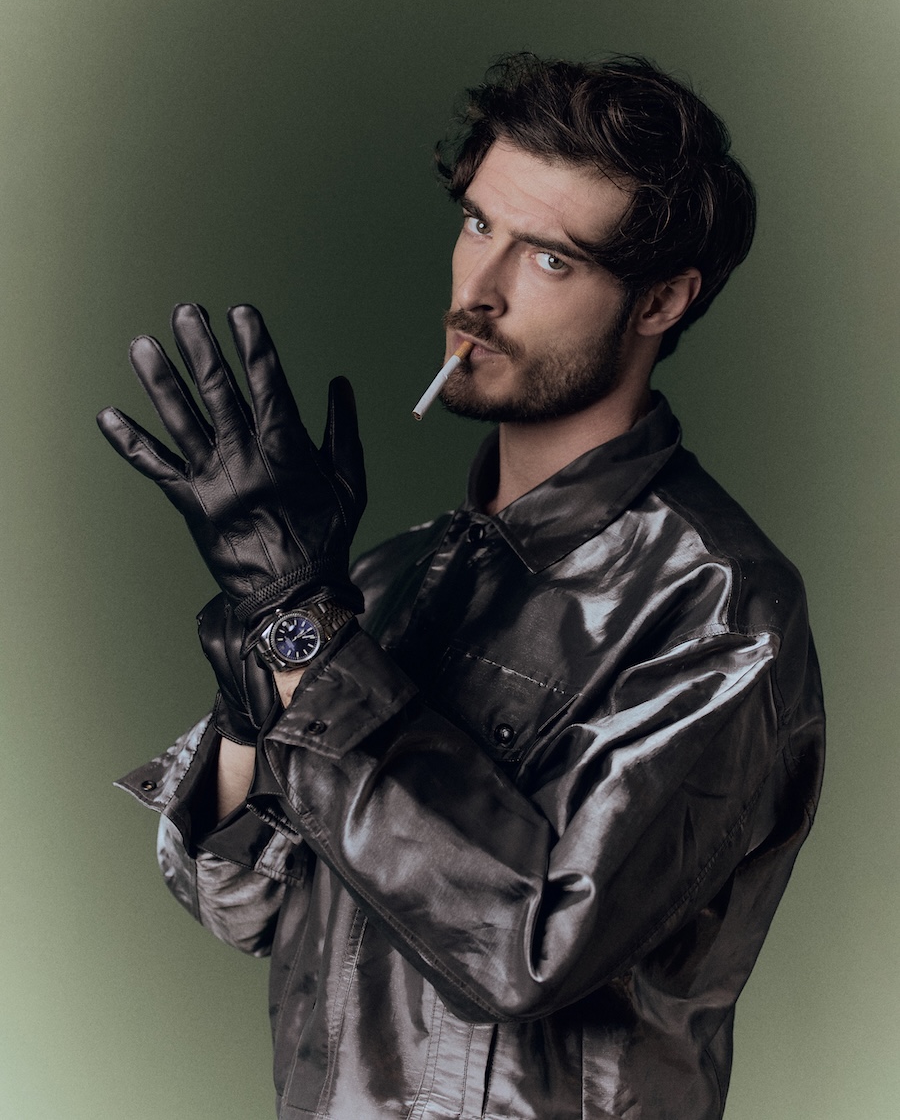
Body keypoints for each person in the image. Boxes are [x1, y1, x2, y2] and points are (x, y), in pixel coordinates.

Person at [100, 54, 825, 1120]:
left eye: (550, 258)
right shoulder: (385, 581)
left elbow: (530, 946)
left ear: (663, 300)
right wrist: (266, 664)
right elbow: (237, 900)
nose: (478, 292)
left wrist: (305, 632)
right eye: (480, 224)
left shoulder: (718, 608)